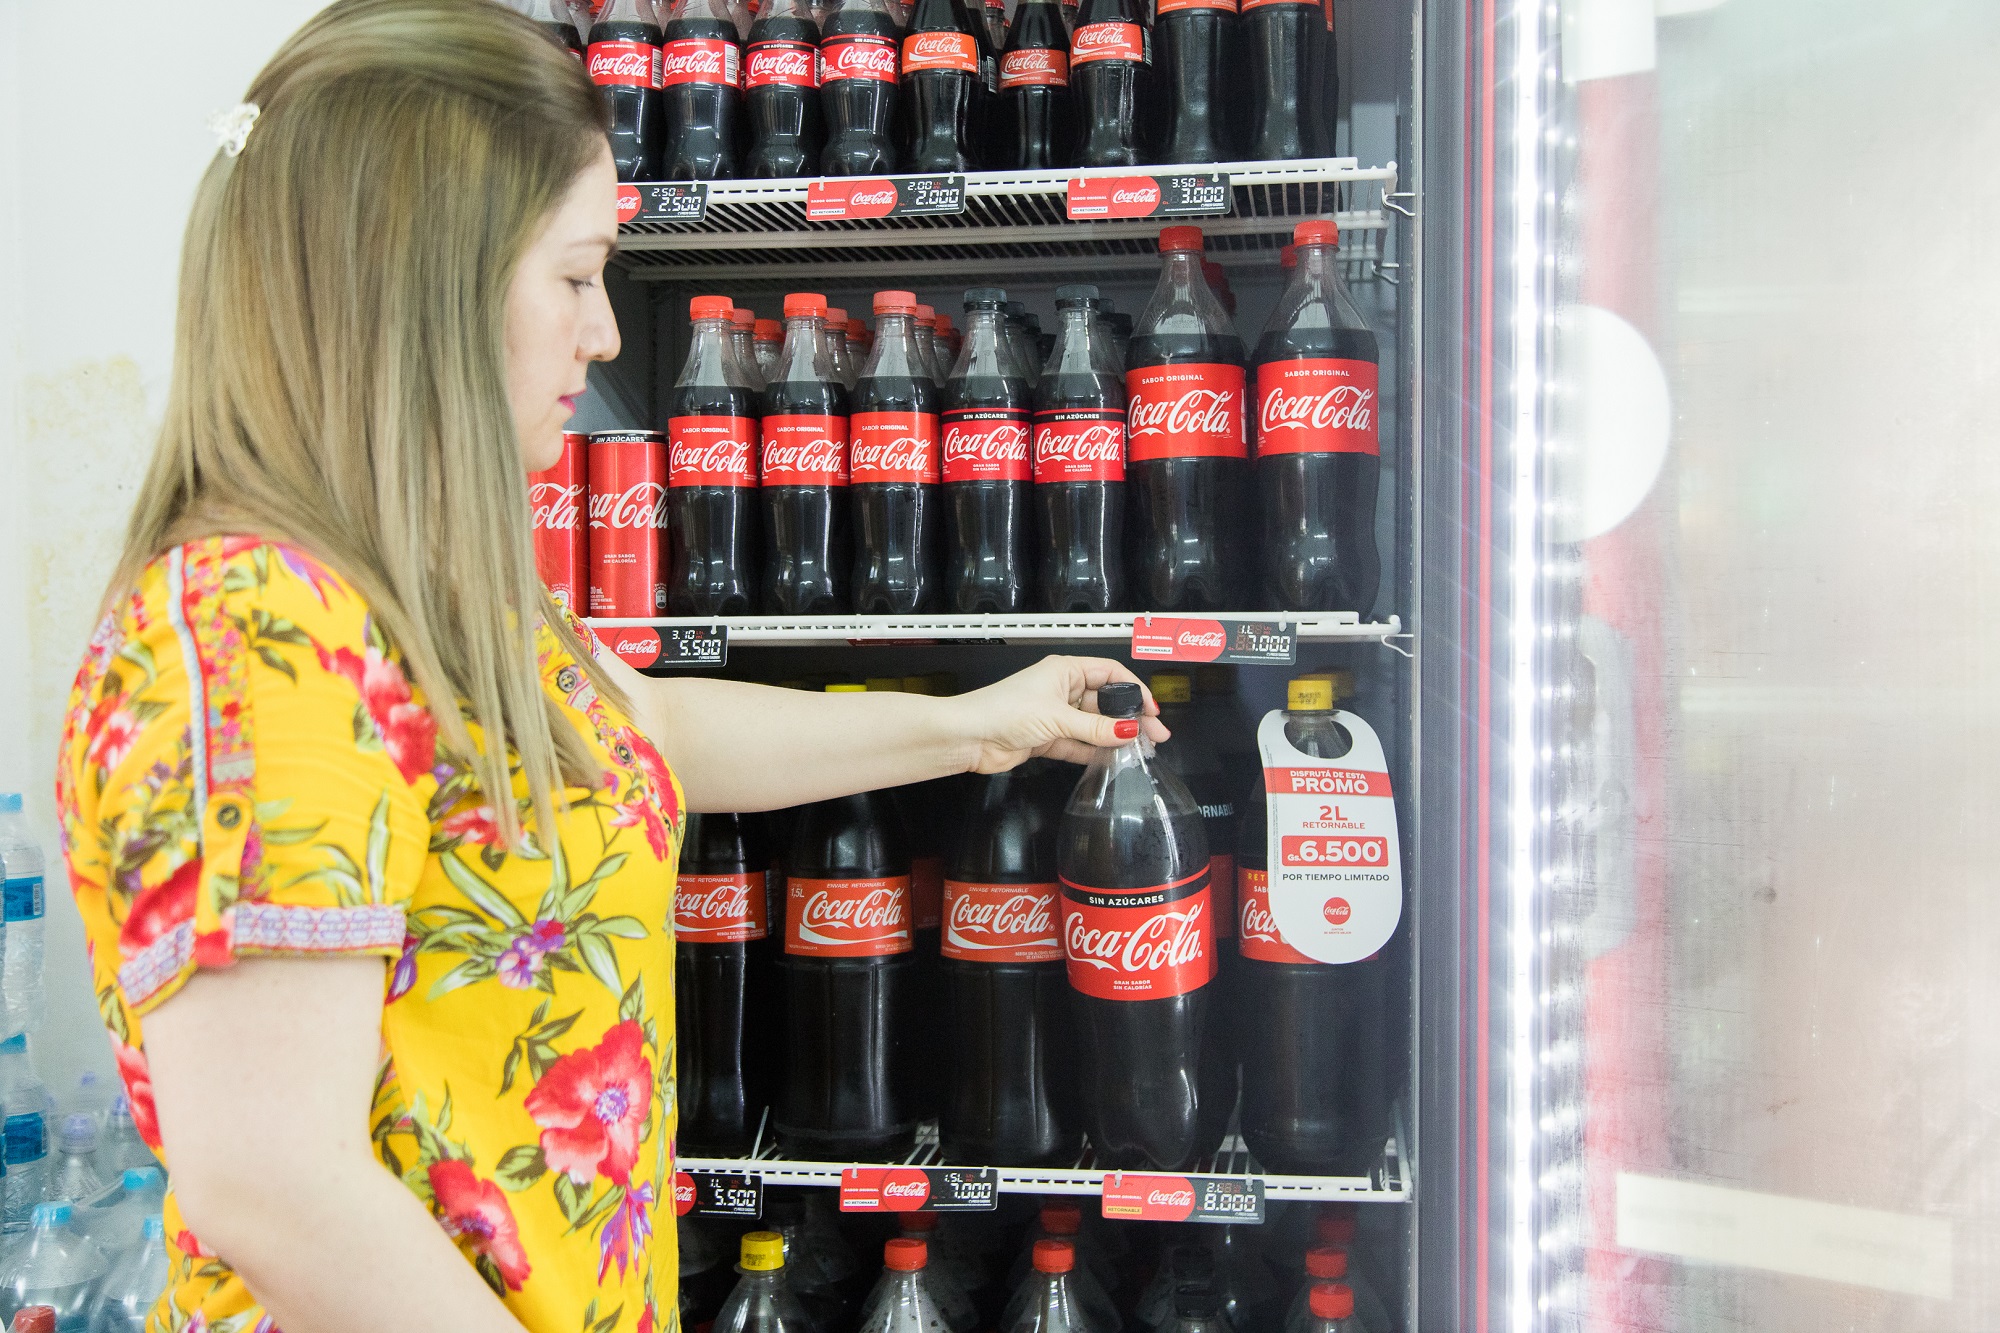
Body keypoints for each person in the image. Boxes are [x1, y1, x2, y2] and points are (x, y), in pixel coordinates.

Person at [51, 3, 1163, 1331]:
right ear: (429, 280)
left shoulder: (421, 583)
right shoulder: (254, 632)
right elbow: (277, 1187)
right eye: (577, 278)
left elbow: (636, 726)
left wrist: (985, 722)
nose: (609, 337)